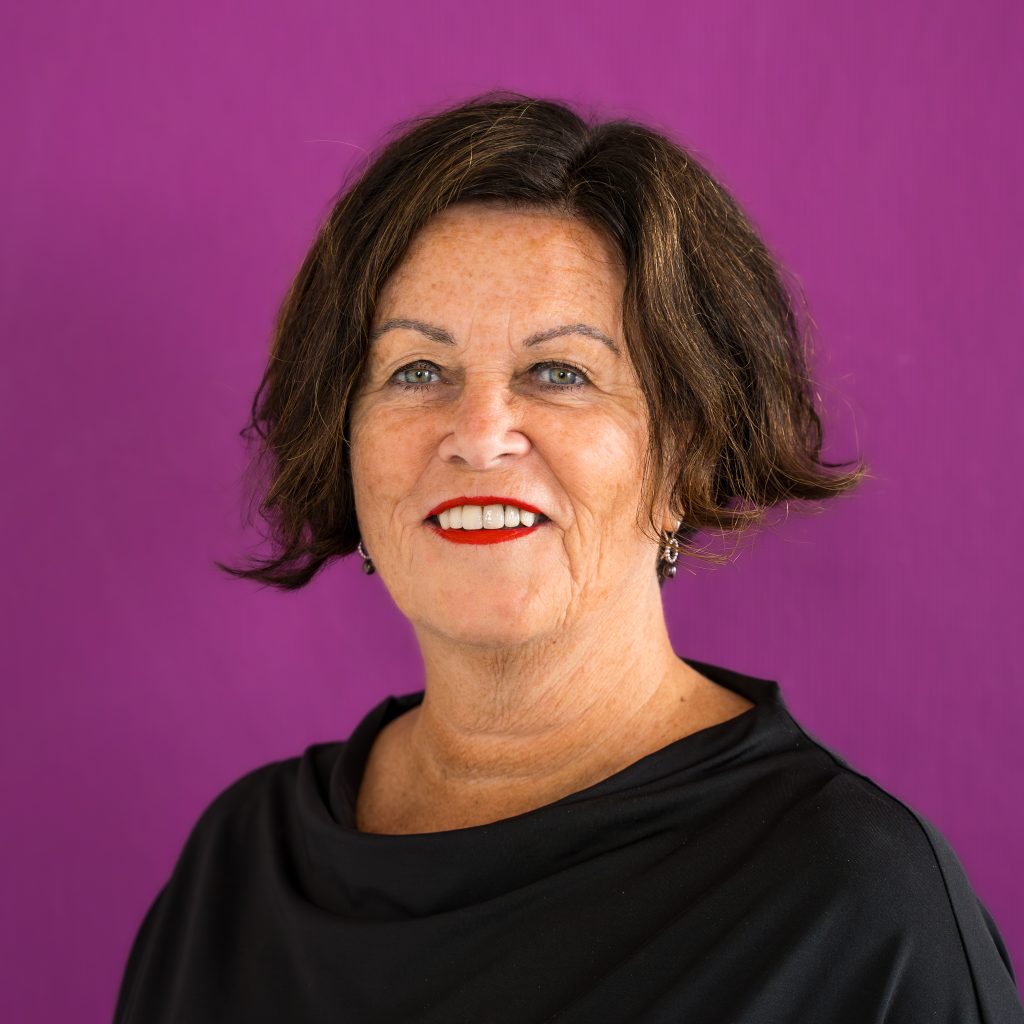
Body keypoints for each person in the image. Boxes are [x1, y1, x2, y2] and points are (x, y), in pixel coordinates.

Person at [113, 92, 1024, 1023]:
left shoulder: (856, 905)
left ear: (687, 454)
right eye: (417, 371)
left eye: (561, 372)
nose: (479, 435)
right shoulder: (242, 869)